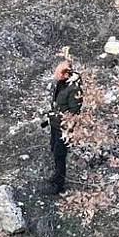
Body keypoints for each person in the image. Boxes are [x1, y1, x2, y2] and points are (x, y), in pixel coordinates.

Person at [41, 60, 83, 195]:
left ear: (66, 74)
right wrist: (50, 118)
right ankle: (56, 175)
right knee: (54, 149)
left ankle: (59, 184)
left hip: (63, 128)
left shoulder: (74, 88)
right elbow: (57, 104)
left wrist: (67, 127)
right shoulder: (61, 83)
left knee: (60, 154)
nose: (55, 75)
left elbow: (74, 111)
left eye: (57, 73)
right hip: (55, 124)